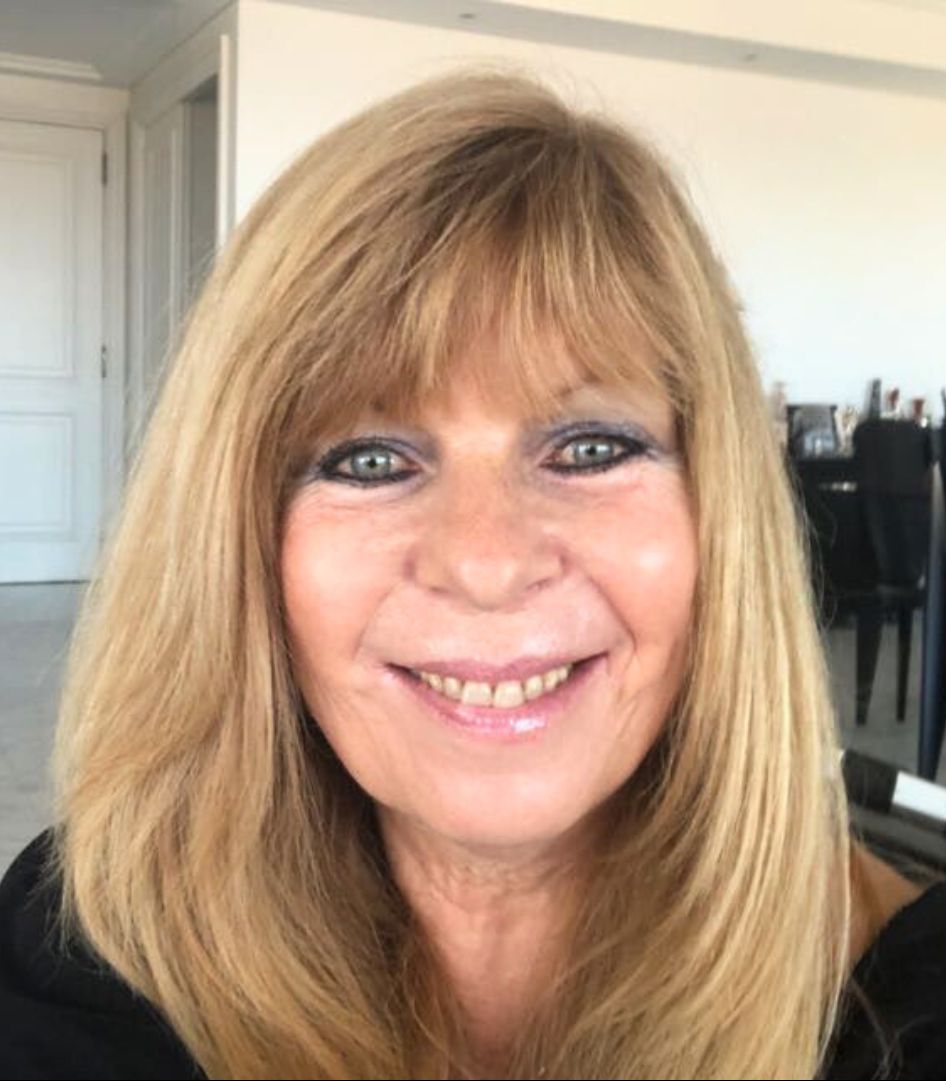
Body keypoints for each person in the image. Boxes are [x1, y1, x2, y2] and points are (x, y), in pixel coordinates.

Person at [1, 68, 944, 1081]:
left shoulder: (910, 1008)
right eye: (369, 460)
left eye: (590, 448)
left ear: (721, 512)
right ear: (238, 539)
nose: (487, 563)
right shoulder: (87, 948)